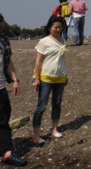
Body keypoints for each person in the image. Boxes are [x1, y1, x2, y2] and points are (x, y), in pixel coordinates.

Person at [0, 12, 27, 167]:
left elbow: (8, 62)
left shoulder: (2, 39)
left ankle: (6, 153)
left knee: (1, 122)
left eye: (0, 28)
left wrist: (15, 80)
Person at [32, 16, 68, 145]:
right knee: (41, 105)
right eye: (55, 27)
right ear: (49, 28)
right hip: (46, 77)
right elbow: (38, 61)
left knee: (57, 104)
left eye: (60, 27)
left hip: (60, 77)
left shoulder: (63, 40)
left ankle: (54, 129)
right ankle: (36, 135)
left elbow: (62, 60)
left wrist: (65, 75)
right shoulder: (44, 41)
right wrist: (36, 78)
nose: (58, 29)